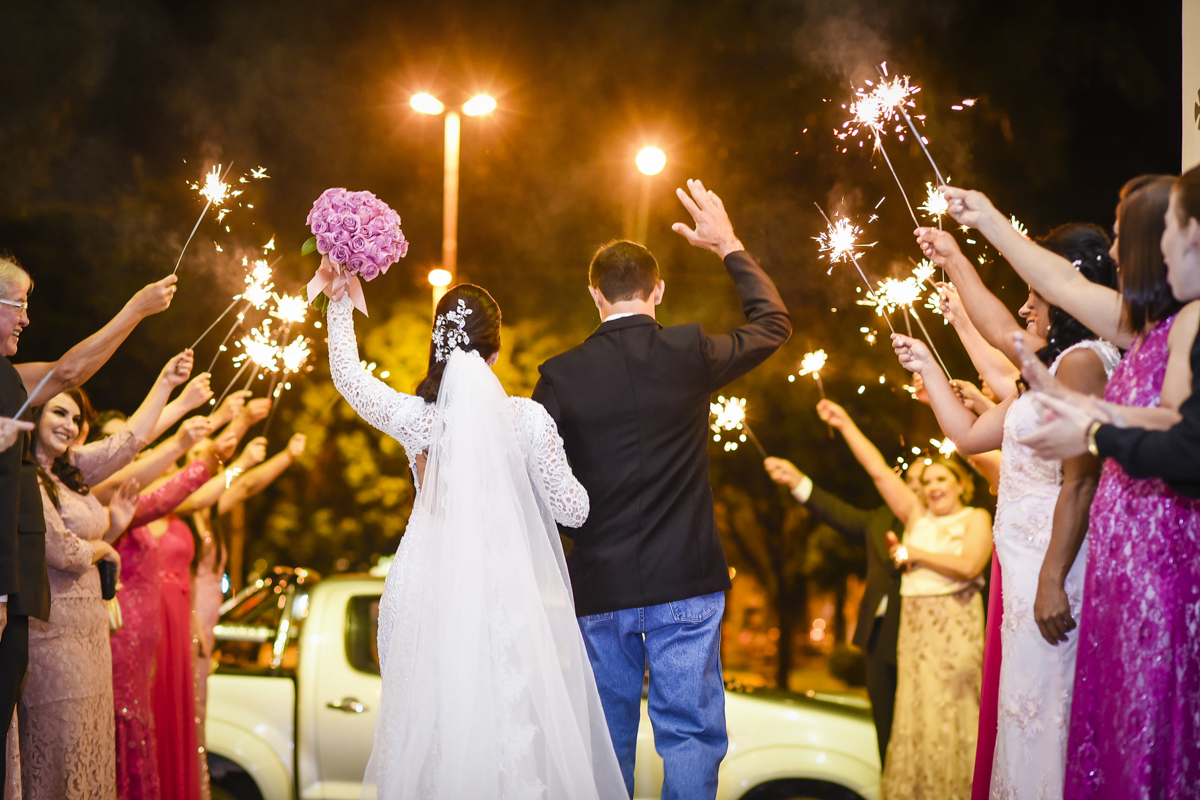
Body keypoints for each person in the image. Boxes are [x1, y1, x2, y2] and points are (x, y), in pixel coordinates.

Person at [531, 179, 792, 799]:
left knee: (606, 738)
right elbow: (773, 324)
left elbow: (540, 480)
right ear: (659, 290)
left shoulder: (559, 377)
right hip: (688, 582)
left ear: (594, 294)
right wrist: (727, 244)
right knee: (692, 736)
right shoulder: (688, 349)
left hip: (601, 587)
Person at [941, 175, 1200, 798]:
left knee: (1153, 736)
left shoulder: (1166, 330)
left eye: (1127, 237)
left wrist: (1093, 431)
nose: (1117, 253)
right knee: (1112, 738)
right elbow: (1060, 286)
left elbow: (1184, 444)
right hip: (1122, 567)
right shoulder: (1146, 331)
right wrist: (988, 223)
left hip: (1164, 566)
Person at [325, 280, 625, 798]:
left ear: (437, 342)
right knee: (502, 733)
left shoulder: (418, 421)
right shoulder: (528, 422)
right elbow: (574, 508)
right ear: (497, 347)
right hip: (496, 599)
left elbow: (348, 376)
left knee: (427, 737)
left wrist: (337, 299)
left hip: (423, 594)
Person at [905, 222, 1121, 799]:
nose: (1025, 304)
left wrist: (1052, 580)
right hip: (1023, 567)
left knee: (1048, 715)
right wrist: (928, 362)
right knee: (1022, 715)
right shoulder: (1047, 370)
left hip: (1056, 564)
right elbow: (971, 436)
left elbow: (1082, 481)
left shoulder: (1083, 364)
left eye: (1036, 288)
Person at [0, 253, 176, 791]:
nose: (27, 319)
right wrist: (135, 310)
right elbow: (70, 371)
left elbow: (125, 448)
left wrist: (175, 398)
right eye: (19, 304)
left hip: (25, 609)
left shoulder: (8, 380)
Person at [19, 352, 195, 799]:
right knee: (64, 753)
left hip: (93, 640)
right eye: (59, 410)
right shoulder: (23, 477)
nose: (69, 423)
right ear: (35, 412)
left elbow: (127, 443)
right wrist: (102, 546)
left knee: (94, 751)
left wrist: (165, 383)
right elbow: (58, 549)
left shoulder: (70, 473)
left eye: (76, 417)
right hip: (51, 639)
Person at [763, 399, 918, 767]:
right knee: (884, 727)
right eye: (908, 481)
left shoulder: (942, 526)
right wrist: (797, 480)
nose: (911, 488)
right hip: (878, 641)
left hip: (919, 635)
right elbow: (836, 513)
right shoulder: (879, 520)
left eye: (918, 483)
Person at [877, 454, 991, 800]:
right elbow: (879, 473)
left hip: (955, 630)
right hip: (915, 635)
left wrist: (917, 554)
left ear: (961, 483)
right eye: (927, 482)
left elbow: (970, 564)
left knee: (956, 711)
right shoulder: (917, 519)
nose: (933, 487)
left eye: (942, 479)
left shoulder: (976, 518)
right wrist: (840, 421)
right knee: (916, 712)